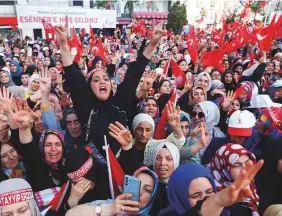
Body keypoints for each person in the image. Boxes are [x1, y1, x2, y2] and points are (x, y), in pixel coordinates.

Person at [55, 20, 164, 156]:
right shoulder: (86, 108)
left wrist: (152, 44)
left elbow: (133, 74)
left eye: (106, 79)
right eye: (96, 80)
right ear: (89, 88)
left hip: (122, 165)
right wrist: (64, 44)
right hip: (95, 170)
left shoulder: (120, 103)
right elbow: (73, 77)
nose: (102, 82)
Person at [158, 160, 264, 216]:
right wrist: (216, 201)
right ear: (179, 197)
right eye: (196, 195)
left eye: (210, 192)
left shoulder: (234, 212)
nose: (206, 198)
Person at [65, 166, 159, 216]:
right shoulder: (110, 204)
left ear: (152, 196)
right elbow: (70, 214)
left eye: (147, 190)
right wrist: (110, 209)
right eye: (136, 185)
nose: (139, 192)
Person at [208, 144, 260, 215]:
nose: (244, 168)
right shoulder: (211, 193)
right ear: (224, 168)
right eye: (237, 165)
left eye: (247, 162)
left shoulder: (250, 182)